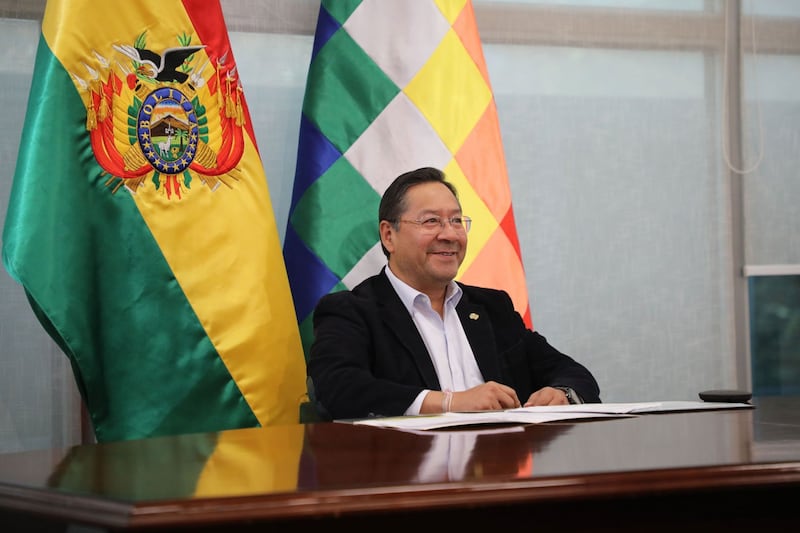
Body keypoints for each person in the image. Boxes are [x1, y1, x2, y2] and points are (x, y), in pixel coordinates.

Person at [308, 167, 600, 420]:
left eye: (456, 221)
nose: (449, 234)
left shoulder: (492, 306)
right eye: (431, 221)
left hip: (501, 468)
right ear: (389, 235)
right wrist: (450, 402)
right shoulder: (352, 310)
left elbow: (572, 372)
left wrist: (560, 394)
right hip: (407, 474)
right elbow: (339, 387)